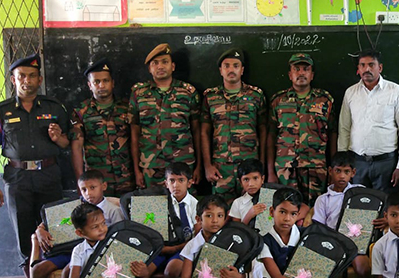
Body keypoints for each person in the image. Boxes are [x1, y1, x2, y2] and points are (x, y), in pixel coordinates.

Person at [0, 53, 70, 278]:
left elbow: (66, 143)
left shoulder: (54, 108)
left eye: (32, 76)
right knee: (24, 231)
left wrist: (58, 137)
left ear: (39, 79)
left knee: (54, 230)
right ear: (13, 80)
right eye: (21, 76)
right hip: (17, 178)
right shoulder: (1, 111)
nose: (27, 80)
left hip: (49, 174)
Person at [311, 151, 377, 278]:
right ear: (330, 171)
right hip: (334, 247)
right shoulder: (323, 199)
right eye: (338, 171)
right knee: (325, 277)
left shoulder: (360, 191)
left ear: (353, 173)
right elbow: (318, 228)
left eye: (346, 172)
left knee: (365, 270)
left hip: (356, 245)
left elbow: (375, 211)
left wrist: (380, 219)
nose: (341, 176)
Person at [267, 53, 336, 206]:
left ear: (312, 75)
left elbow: (332, 134)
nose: (301, 73)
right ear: (290, 75)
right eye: (296, 69)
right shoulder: (278, 101)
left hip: (315, 168)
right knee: (286, 209)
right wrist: (270, 171)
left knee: (315, 211)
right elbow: (271, 136)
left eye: (306, 69)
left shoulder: (325, 100)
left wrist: (333, 169)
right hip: (285, 169)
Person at [129, 43, 202, 189]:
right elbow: (134, 134)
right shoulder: (138, 94)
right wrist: (136, 170)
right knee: (151, 204)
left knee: (184, 203)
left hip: (183, 164)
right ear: (150, 69)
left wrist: (199, 165)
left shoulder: (188, 92)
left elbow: (196, 130)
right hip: (151, 166)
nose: (160, 66)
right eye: (155, 63)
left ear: (173, 66)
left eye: (165, 62)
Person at [338, 50, 399, 193]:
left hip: (386, 164)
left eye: (371, 65)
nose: (367, 69)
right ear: (358, 69)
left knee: (386, 204)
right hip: (357, 163)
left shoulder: (396, 91)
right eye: (362, 65)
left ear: (380, 67)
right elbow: (344, 128)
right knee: (358, 204)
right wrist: (343, 164)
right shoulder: (350, 93)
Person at [201, 48, 267, 203]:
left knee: (253, 209)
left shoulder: (255, 95)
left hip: (250, 167)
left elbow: (263, 130)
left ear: (242, 70)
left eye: (236, 66)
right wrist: (207, 165)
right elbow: (204, 132)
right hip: (221, 168)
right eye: (227, 66)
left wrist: (262, 164)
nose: (231, 70)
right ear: (220, 70)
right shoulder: (211, 97)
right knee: (221, 211)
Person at [71, 58, 134, 197]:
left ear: (113, 83)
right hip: (97, 183)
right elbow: (76, 148)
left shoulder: (127, 107)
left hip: (128, 179)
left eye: (106, 81)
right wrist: (80, 182)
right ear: (90, 85)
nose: (102, 85)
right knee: (99, 212)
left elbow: (136, 140)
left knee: (133, 211)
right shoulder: (81, 112)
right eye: (96, 82)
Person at [228, 158, 267, 225]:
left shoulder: (271, 198)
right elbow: (236, 229)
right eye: (246, 179)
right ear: (240, 182)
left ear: (262, 179)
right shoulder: (237, 203)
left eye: (255, 178)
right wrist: (249, 216)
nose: (251, 184)